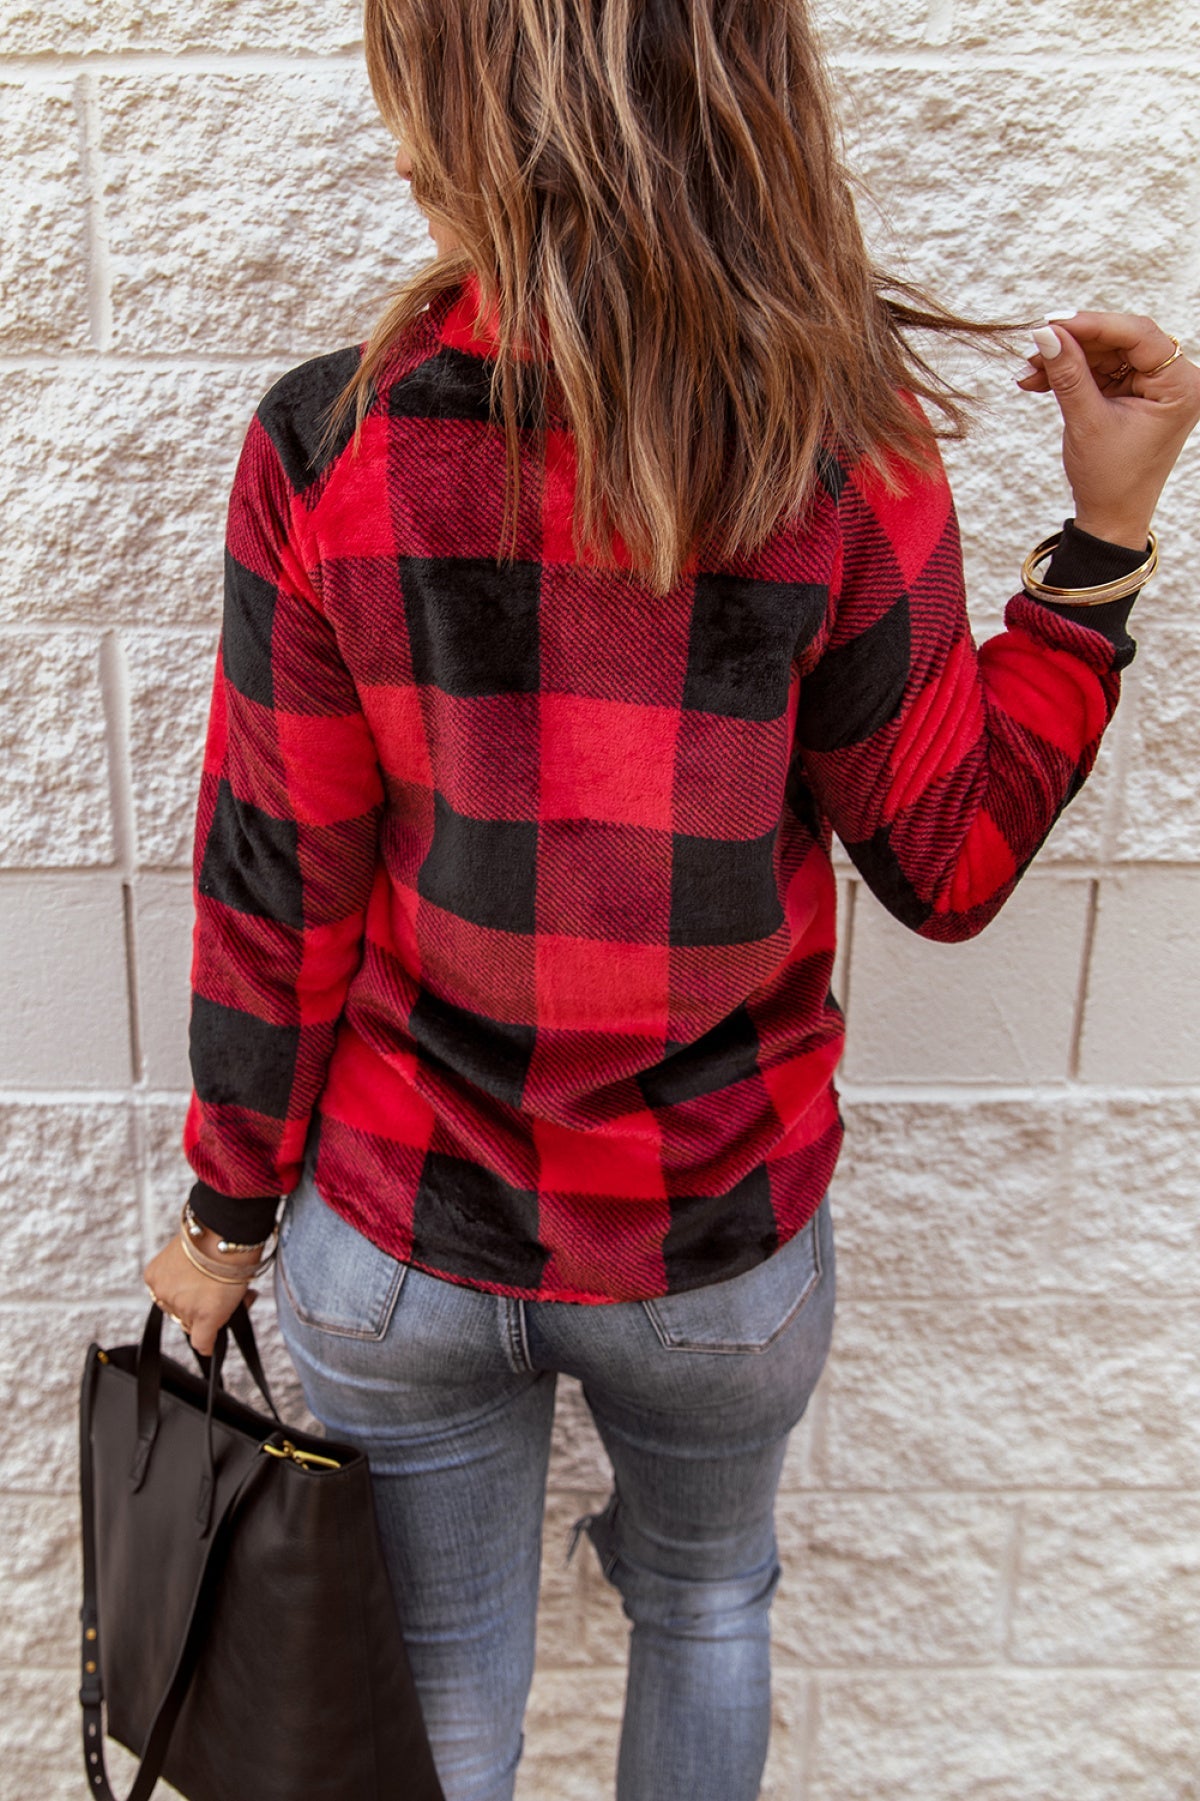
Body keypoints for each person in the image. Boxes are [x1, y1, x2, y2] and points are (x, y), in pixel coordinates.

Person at [142, 2, 1200, 1796]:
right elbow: (945, 862)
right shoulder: (846, 448)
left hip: (401, 1228)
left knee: (442, 1697)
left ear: (475, 112)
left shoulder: (333, 442)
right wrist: (1096, 553)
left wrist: (230, 1209)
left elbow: (277, 880)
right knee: (708, 1602)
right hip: (715, 1248)